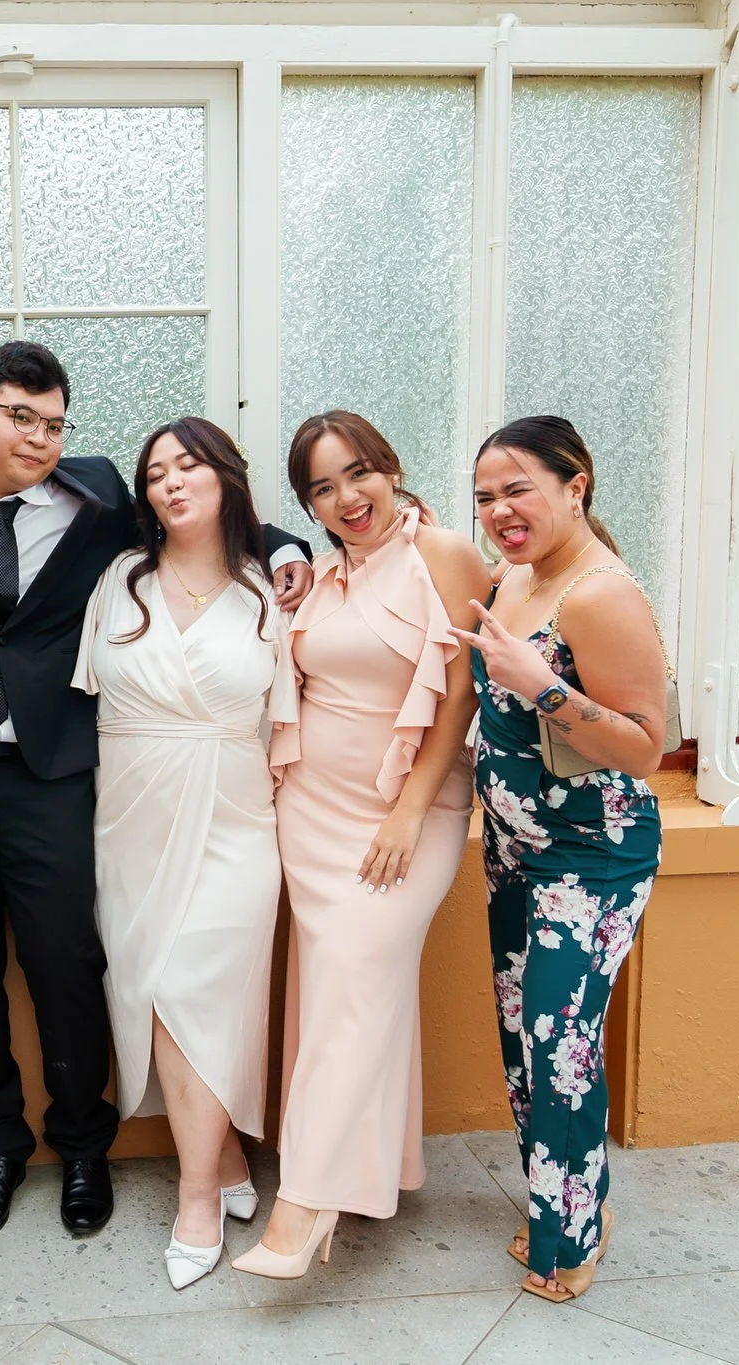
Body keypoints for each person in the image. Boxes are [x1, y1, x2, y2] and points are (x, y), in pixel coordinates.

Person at [0, 341, 314, 1243]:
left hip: (57, 774)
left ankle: (83, 1145)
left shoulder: (100, 491)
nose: (39, 437)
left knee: (69, 962)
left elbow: (197, 524)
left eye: (54, 421)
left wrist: (293, 545)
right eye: (20, 417)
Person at [233, 411, 488, 1282]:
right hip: (312, 809)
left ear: (389, 467)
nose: (346, 499)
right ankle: (373, 1172)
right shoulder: (330, 575)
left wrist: (412, 811)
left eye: (357, 475)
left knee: (356, 982)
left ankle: (303, 1203)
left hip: (407, 813)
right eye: (322, 488)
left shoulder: (443, 553)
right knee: (340, 992)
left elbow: (460, 696)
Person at [449, 415, 665, 1304]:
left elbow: (646, 747)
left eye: (518, 490)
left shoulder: (599, 594)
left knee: (561, 1044)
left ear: (576, 485)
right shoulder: (516, 579)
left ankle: (569, 1232)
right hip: (515, 851)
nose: (500, 509)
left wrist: (541, 685)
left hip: (592, 858)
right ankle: (571, 1199)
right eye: (486, 497)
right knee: (525, 1042)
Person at [72, 418, 287, 1290]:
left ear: (227, 477)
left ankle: (198, 1193)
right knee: (152, 990)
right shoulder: (119, 581)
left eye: (188, 464)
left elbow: (293, 718)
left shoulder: (274, 589)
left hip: (238, 817)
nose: (170, 481)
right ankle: (226, 1153)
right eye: (155, 472)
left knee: (195, 983)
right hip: (132, 816)